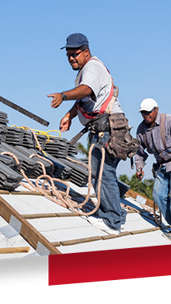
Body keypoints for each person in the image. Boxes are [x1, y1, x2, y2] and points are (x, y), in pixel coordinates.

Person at [47, 33, 127, 235]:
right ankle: (117, 214)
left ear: (86, 52)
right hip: (108, 126)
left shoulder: (92, 67)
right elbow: (86, 98)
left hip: (106, 128)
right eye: (68, 55)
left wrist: (63, 96)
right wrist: (70, 115)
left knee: (102, 174)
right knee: (104, 173)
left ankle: (112, 221)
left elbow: (85, 90)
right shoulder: (87, 69)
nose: (71, 58)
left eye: (75, 54)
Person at [133, 98, 171, 244]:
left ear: (156, 110)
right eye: (143, 113)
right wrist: (139, 167)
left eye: (148, 112)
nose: (146, 115)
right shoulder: (141, 129)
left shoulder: (169, 121)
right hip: (161, 165)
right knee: (158, 196)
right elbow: (139, 151)